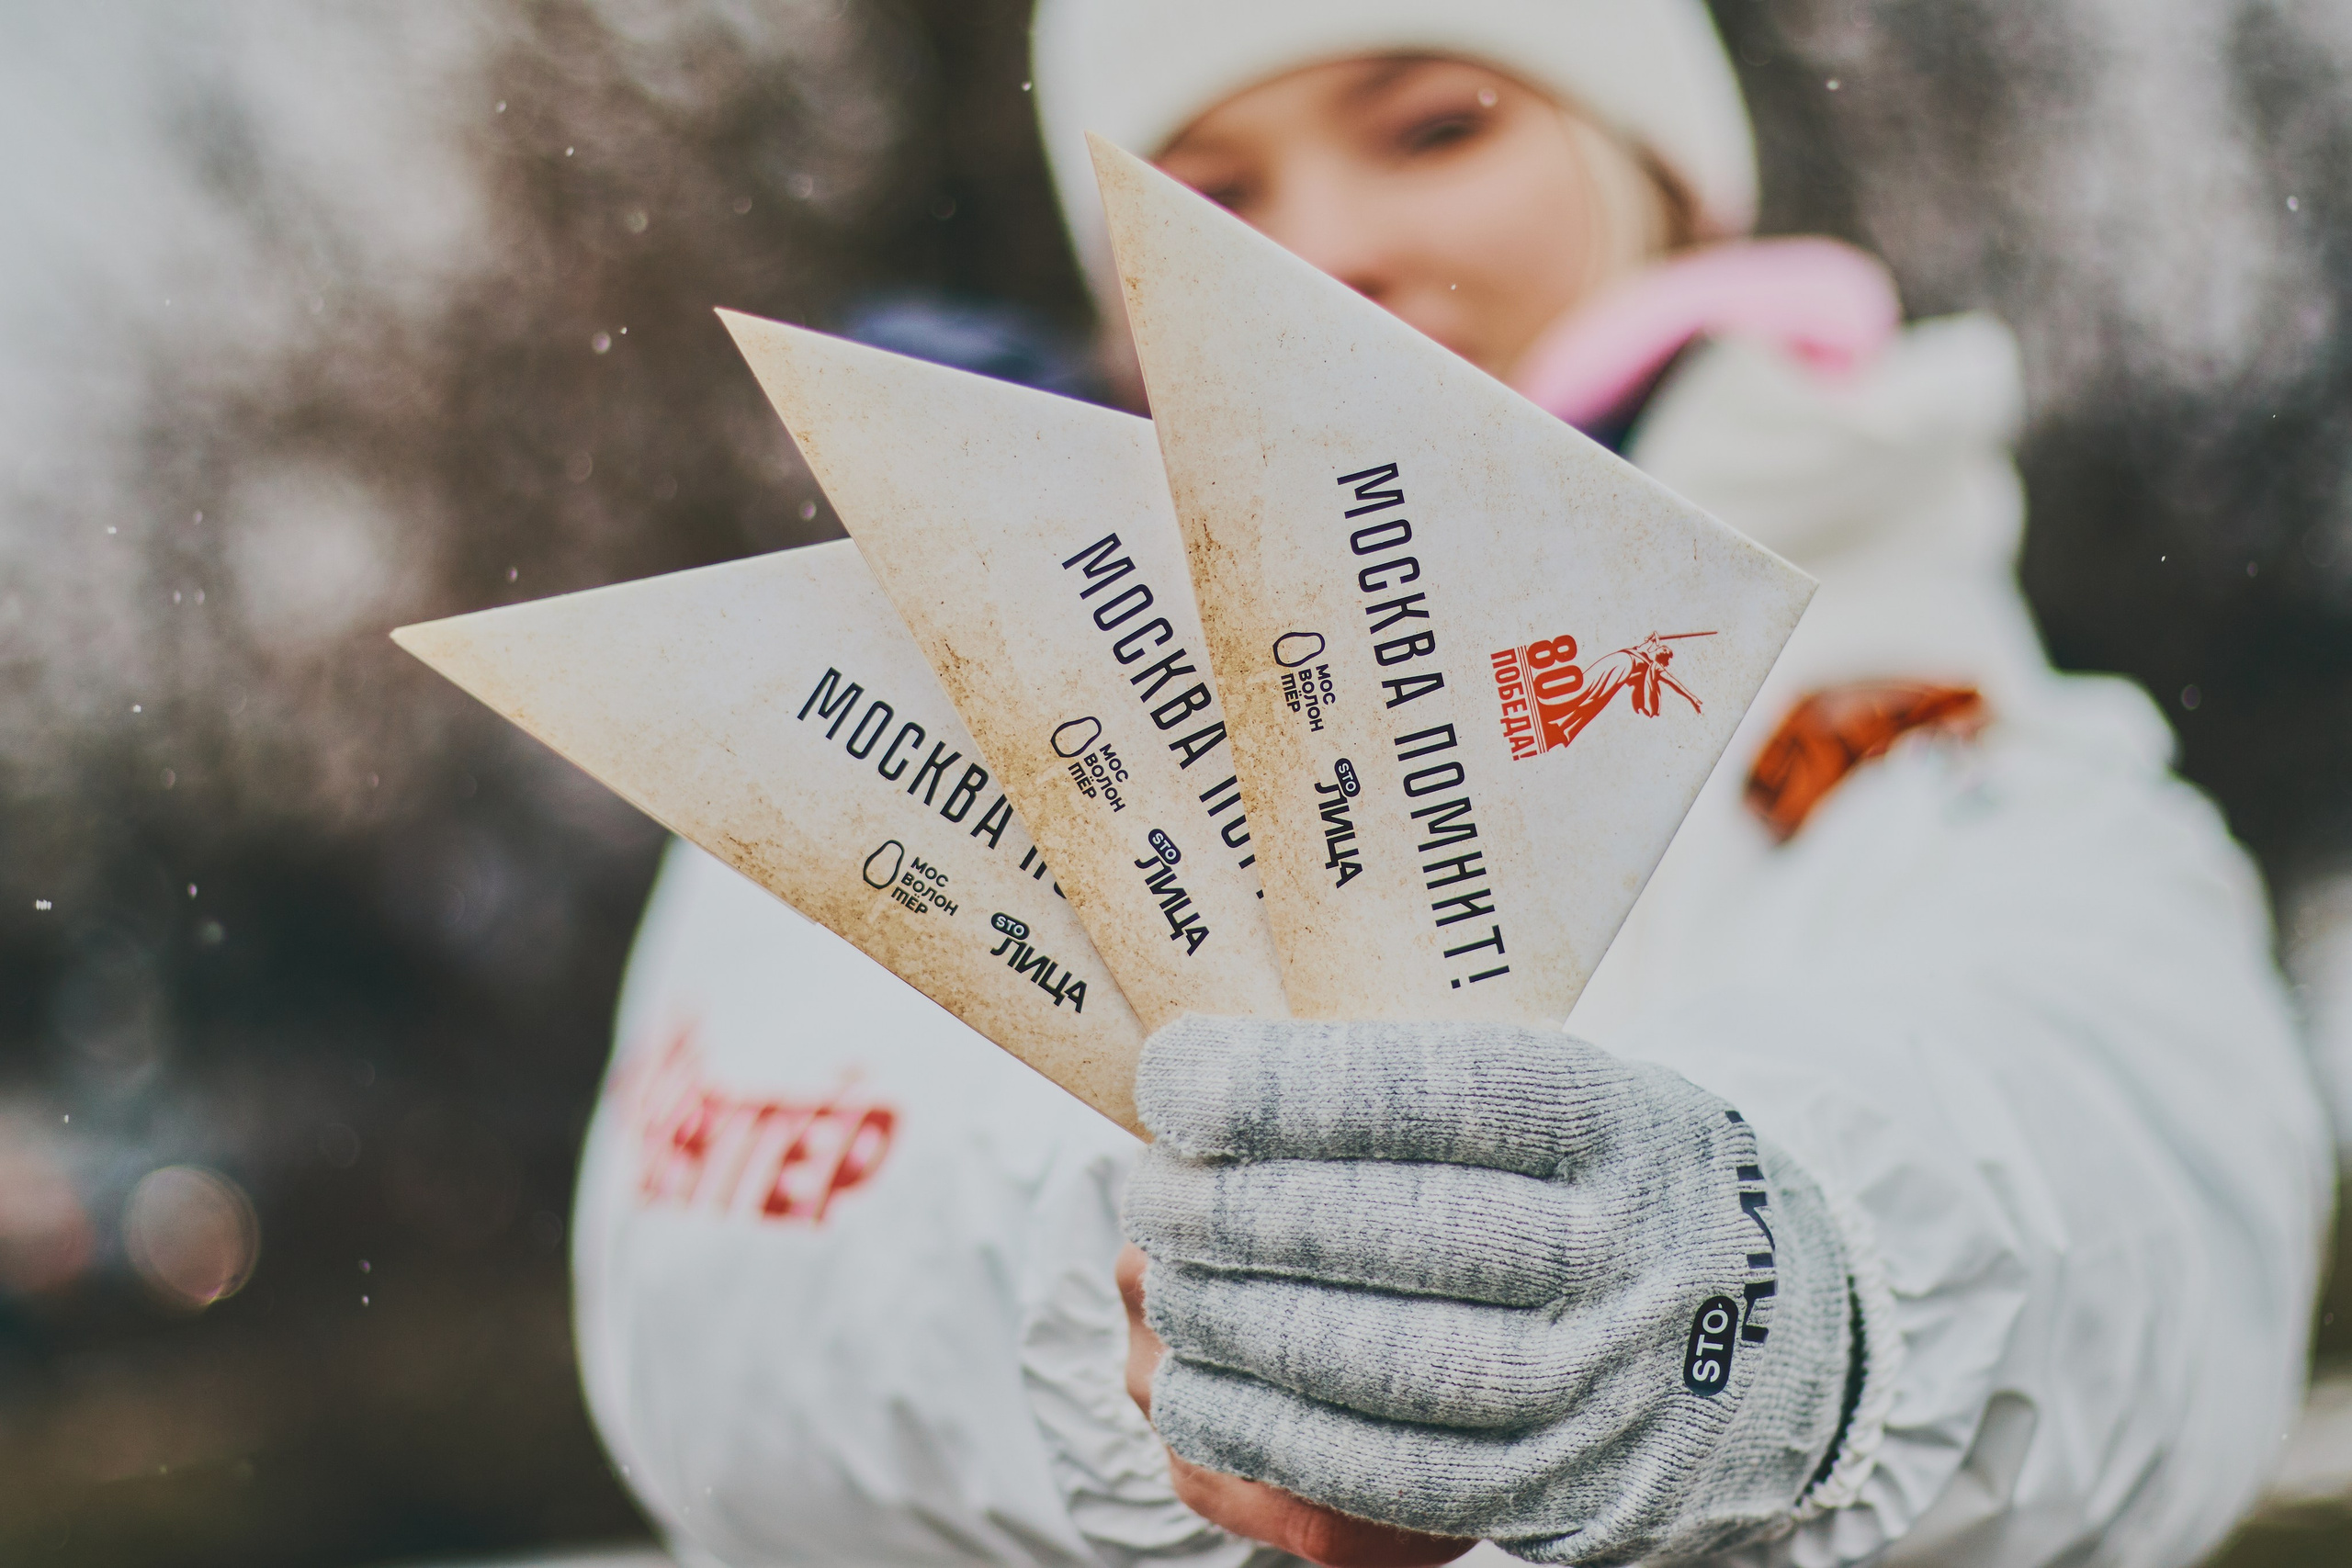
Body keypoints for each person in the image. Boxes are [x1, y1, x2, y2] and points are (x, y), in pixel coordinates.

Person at [570, 3, 2333, 1565]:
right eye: (1212, 192)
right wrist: (1160, 1305)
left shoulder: (1928, 723)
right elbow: (705, 1280)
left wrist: (1799, 1307)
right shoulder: (922, 694)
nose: (1324, 252)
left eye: (1434, 127)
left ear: (1659, 174)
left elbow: (2148, 1180)